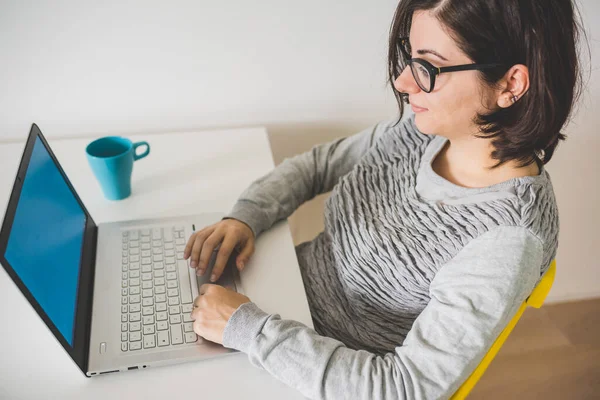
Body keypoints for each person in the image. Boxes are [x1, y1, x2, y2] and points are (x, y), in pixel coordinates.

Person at [184, 0, 586, 398]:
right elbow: (318, 166)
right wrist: (246, 216)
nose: (403, 82)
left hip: (314, 371)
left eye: (428, 67)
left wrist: (249, 329)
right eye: (409, 57)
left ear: (510, 85)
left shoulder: (506, 240)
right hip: (271, 304)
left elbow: (404, 388)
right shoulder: (423, 131)